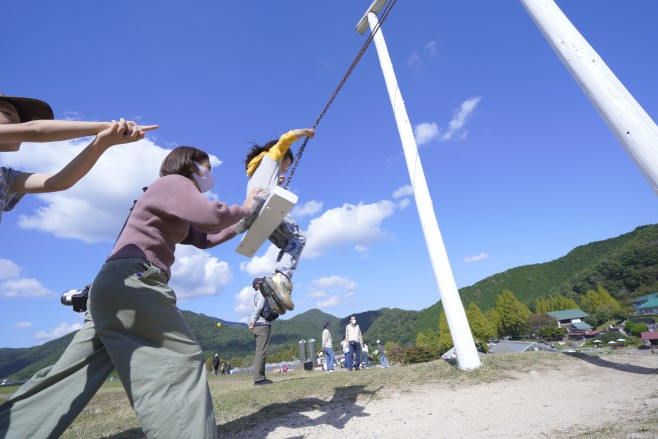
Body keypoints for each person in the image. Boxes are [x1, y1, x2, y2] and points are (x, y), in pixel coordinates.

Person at [0, 145, 262, 439]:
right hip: (135, 280)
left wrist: (243, 224)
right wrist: (249, 205)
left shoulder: (165, 199)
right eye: (207, 168)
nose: (209, 175)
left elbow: (205, 238)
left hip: (111, 287)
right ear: (192, 165)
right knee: (178, 359)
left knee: (69, 375)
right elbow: (213, 215)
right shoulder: (174, 184)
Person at [0, 93, 157, 224]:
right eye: (8, 114)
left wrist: (102, 143)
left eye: (22, 122)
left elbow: (57, 182)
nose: (19, 124)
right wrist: (108, 127)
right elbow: (35, 131)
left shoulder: (7, 178)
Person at [241, 128, 315, 315]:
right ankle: (281, 278)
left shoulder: (256, 169)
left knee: (288, 245)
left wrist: (277, 182)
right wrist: (305, 132)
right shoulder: (273, 154)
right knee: (299, 237)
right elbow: (285, 140)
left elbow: (265, 182)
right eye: (286, 165)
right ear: (284, 157)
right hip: (266, 205)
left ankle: (272, 288)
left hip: (253, 212)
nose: (286, 168)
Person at [248, 286, 274, 385]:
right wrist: (252, 320)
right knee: (261, 352)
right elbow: (259, 307)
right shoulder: (261, 293)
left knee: (261, 352)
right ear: (258, 285)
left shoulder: (256, 295)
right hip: (262, 326)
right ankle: (259, 379)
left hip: (258, 326)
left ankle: (260, 377)